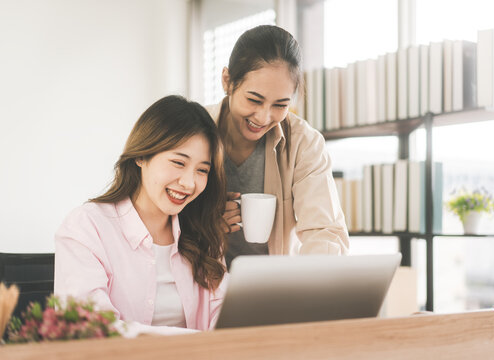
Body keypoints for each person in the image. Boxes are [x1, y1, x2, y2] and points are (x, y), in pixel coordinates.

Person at [54, 95, 228, 332]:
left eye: (202, 170)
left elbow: (225, 326)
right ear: (141, 156)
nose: (188, 183)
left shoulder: (205, 234)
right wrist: (191, 341)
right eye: (178, 163)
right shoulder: (86, 227)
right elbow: (91, 330)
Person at [205, 25, 349, 269]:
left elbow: (324, 231)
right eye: (254, 100)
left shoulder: (304, 143)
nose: (263, 117)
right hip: (201, 286)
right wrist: (202, 225)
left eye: (280, 105)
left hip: (276, 287)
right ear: (227, 81)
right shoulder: (194, 130)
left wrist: (313, 285)